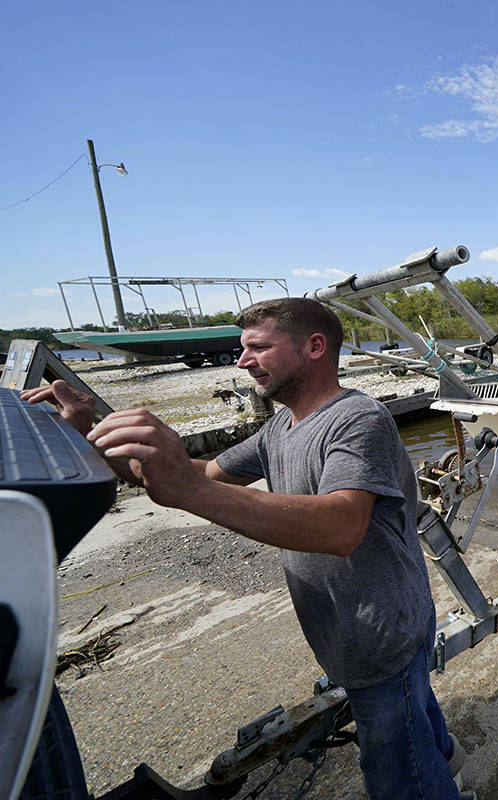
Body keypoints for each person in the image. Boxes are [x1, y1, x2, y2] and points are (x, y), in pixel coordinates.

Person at [23, 297, 467, 800]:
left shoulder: (357, 419)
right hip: (350, 631)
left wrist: (192, 494)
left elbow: (342, 526)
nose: (241, 360)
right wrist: (89, 437)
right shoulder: (281, 426)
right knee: (413, 714)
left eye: (258, 347)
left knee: (397, 774)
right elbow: (197, 475)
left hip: (381, 631)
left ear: (314, 347)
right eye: (242, 348)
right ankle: (446, 758)